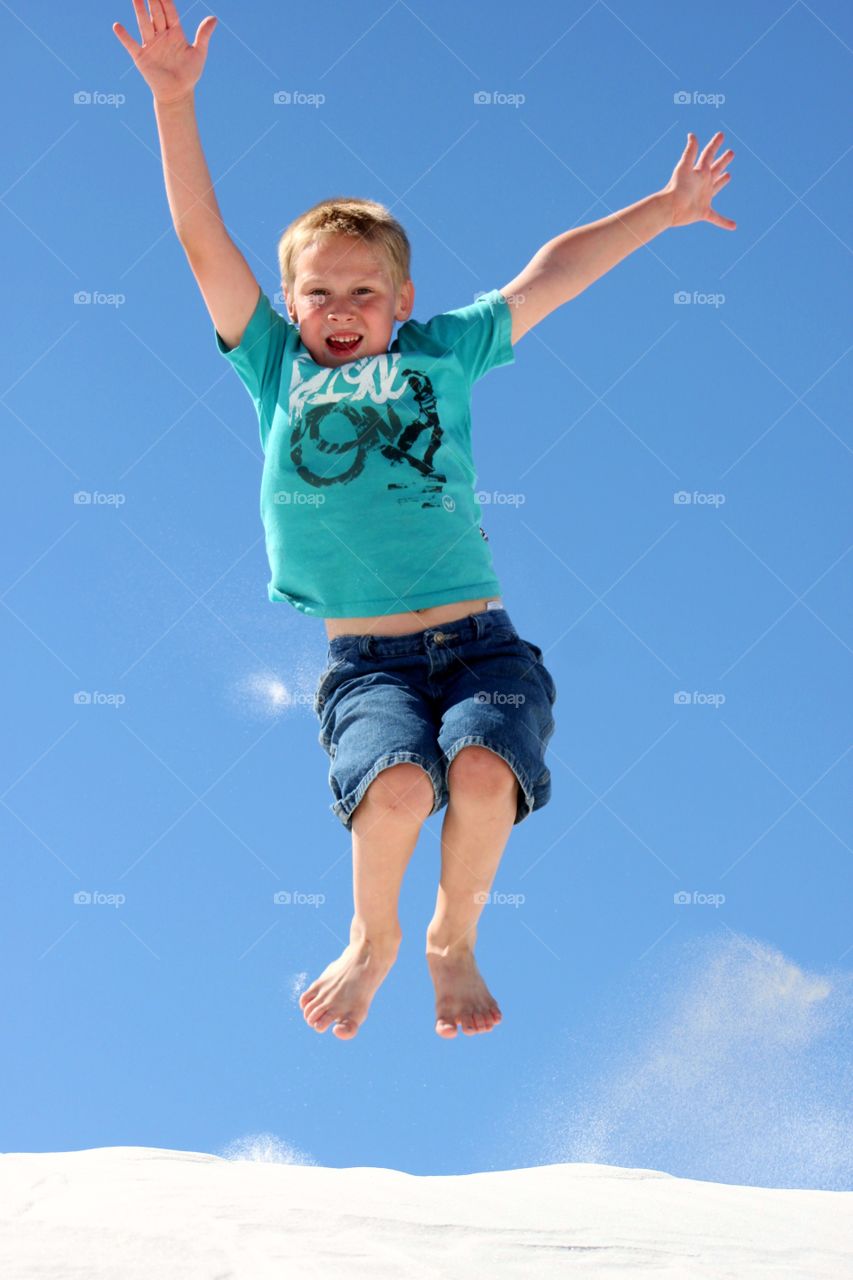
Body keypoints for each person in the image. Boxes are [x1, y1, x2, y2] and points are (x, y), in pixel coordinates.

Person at [114, 1, 736, 1041]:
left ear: (402, 298)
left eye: (364, 289)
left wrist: (662, 212)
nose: (341, 306)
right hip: (368, 665)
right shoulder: (272, 369)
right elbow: (198, 236)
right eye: (319, 293)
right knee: (396, 792)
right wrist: (175, 104)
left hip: (482, 644)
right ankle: (374, 938)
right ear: (289, 303)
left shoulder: (442, 353)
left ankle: (454, 934)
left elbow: (552, 273)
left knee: (484, 771)